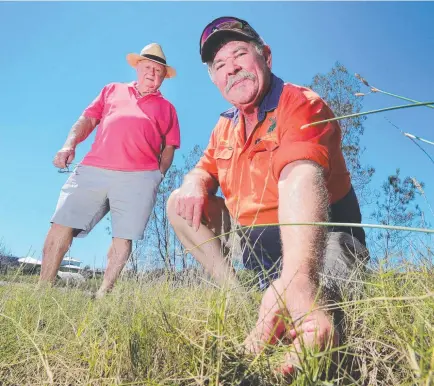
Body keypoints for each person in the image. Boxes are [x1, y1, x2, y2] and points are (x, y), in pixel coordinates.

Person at [167, 17, 369, 374]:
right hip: (255, 248)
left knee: (327, 293)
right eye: (219, 65)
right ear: (214, 79)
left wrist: (298, 281)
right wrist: (195, 182)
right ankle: (239, 297)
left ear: (267, 57)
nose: (231, 69)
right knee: (178, 205)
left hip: (324, 237)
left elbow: (300, 178)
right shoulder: (223, 127)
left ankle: (304, 300)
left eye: (240, 54)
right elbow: (205, 168)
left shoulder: (301, 103)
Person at [40, 43, 181, 298]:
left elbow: (170, 147)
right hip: (94, 168)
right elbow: (87, 120)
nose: (153, 73)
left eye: (159, 71)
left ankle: (104, 295)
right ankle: (42, 292)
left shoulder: (168, 109)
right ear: (137, 67)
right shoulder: (112, 90)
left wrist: (157, 176)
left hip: (139, 178)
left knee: (123, 236)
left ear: (163, 77)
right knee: (61, 223)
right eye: (148, 67)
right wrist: (68, 145)